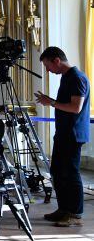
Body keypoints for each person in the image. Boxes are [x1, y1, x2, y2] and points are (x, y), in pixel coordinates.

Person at [35, 46, 90, 227]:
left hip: (73, 134)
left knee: (71, 173)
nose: (47, 70)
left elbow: (76, 108)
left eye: (47, 65)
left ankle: (75, 213)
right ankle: (64, 209)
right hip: (64, 133)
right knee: (58, 172)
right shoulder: (68, 77)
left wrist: (50, 102)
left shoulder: (77, 78)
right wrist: (51, 101)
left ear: (56, 60)